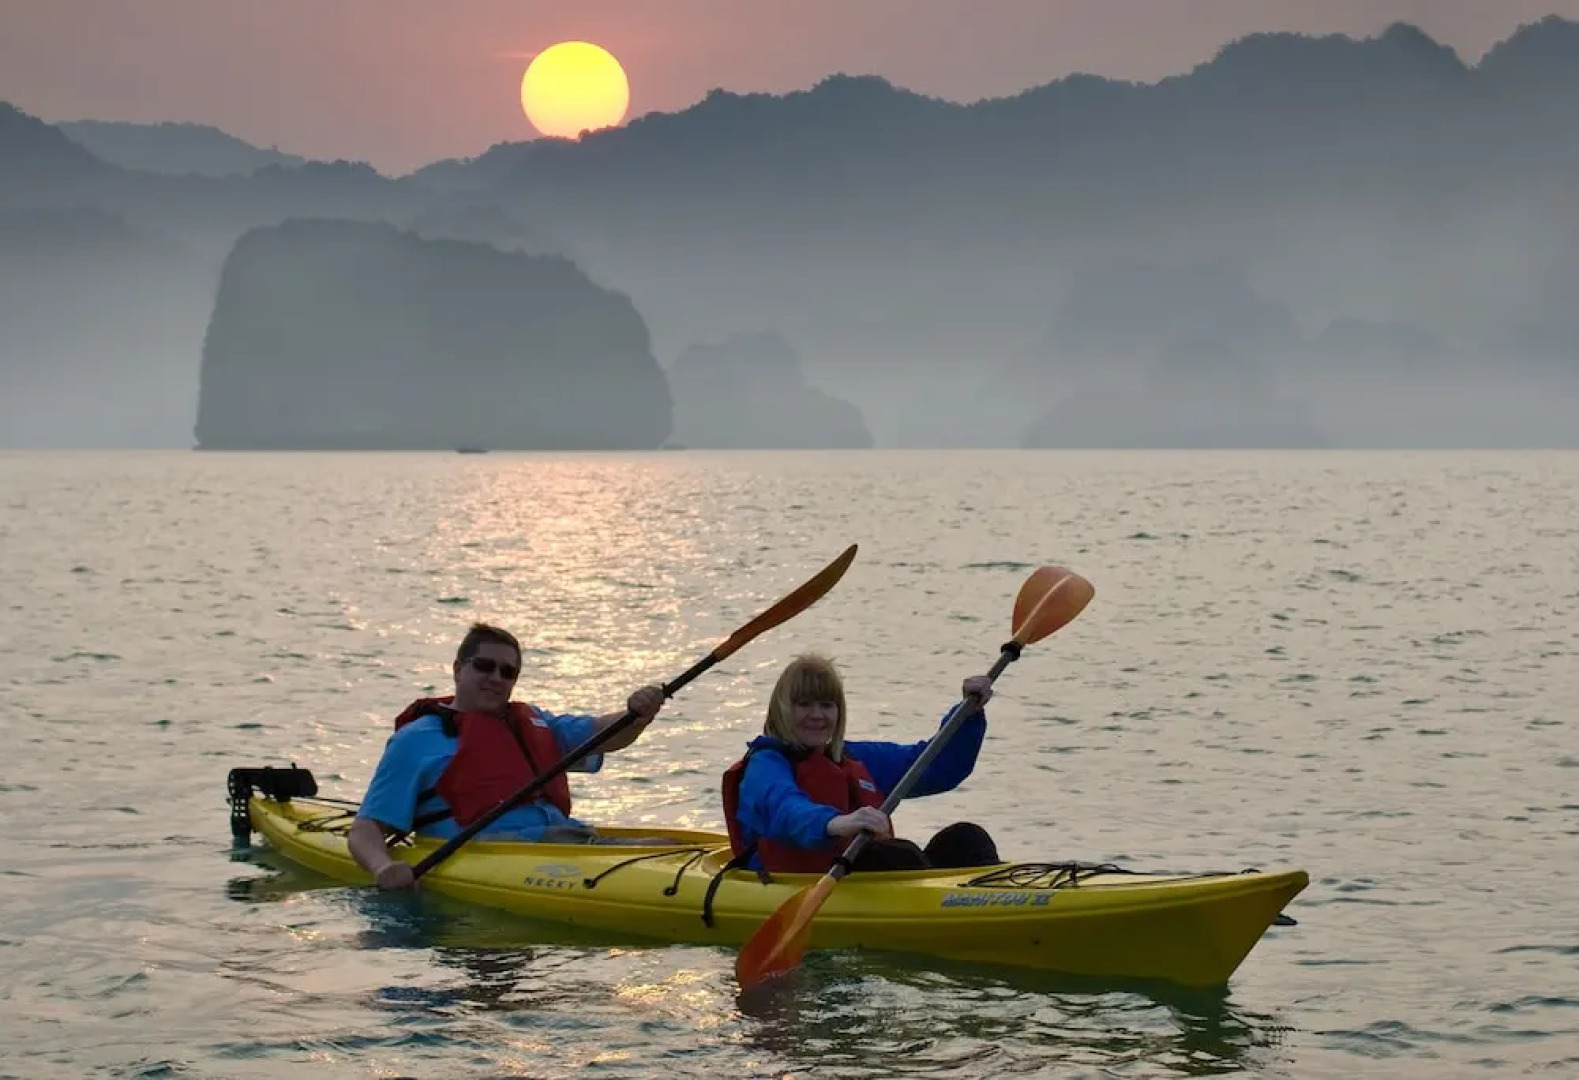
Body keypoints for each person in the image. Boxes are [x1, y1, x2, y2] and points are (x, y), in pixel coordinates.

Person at [349, 622, 668, 890]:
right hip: (495, 855)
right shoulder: (415, 740)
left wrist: (637, 714)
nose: (496, 678)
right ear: (458, 670)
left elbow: (604, 733)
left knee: (672, 850)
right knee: (661, 856)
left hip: (565, 842)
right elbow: (366, 828)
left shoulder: (533, 723)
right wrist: (383, 868)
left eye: (508, 672)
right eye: (484, 666)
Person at [721, 652, 1002, 875]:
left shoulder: (855, 758)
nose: (817, 715)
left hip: (861, 874)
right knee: (895, 855)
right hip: (790, 881)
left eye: (827, 705)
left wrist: (968, 714)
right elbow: (785, 811)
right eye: (804, 705)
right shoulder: (765, 766)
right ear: (782, 710)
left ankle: (1003, 903)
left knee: (966, 838)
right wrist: (837, 823)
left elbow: (938, 766)